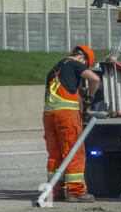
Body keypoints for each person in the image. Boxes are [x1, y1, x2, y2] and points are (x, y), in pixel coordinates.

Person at [43, 45, 100, 203]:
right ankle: (75, 192)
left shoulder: (55, 69)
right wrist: (89, 98)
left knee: (55, 154)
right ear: (83, 58)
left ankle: (55, 190)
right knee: (74, 151)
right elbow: (95, 79)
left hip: (48, 116)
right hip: (66, 116)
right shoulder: (75, 64)